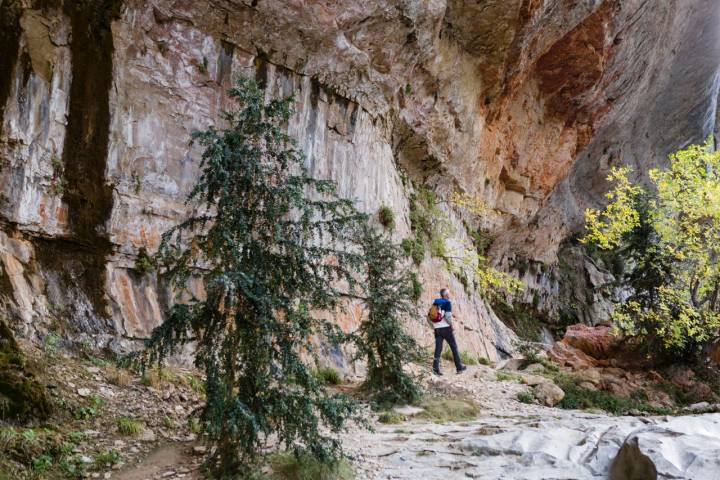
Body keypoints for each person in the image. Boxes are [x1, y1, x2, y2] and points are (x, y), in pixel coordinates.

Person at [432, 288, 467, 375]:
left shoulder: (435, 302)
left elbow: (429, 316)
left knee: (438, 349)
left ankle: (435, 369)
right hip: (446, 329)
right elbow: (447, 316)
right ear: (446, 295)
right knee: (454, 346)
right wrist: (451, 325)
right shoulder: (447, 303)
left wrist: (434, 327)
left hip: (437, 329)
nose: (449, 294)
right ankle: (459, 367)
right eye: (448, 293)